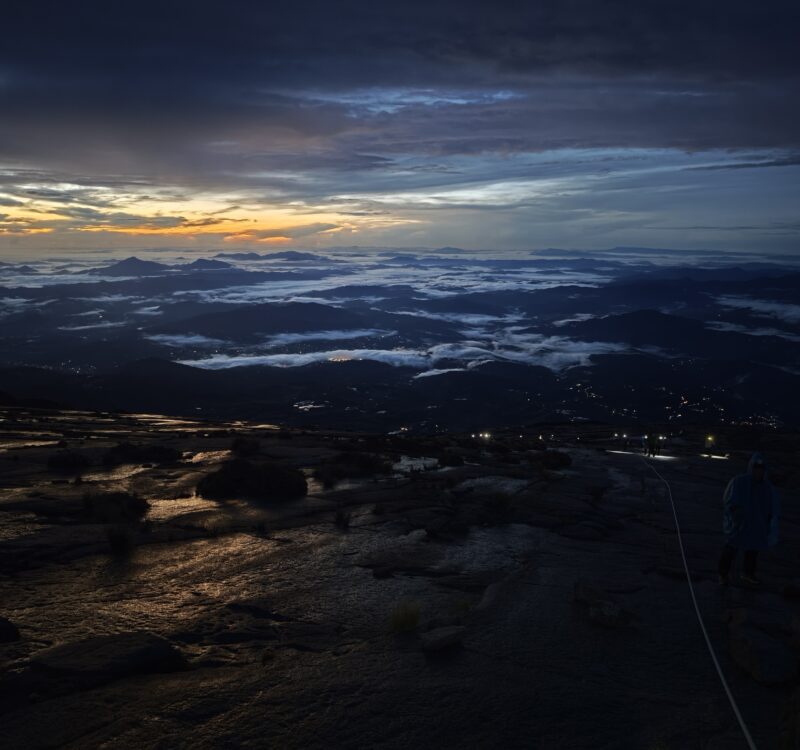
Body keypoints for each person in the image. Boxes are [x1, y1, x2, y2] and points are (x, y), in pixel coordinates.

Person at [718, 452, 780, 586]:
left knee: (752, 549)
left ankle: (748, 573)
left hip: (757, 524)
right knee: (731, 548)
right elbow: (730, 501)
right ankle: (723, 574)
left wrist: (769, 523)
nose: (759, 471)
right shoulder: (739, 481)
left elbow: (771, 508)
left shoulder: (767, 488)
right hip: (739, 523)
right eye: (756, 468)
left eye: (761, 468)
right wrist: (735, 518)